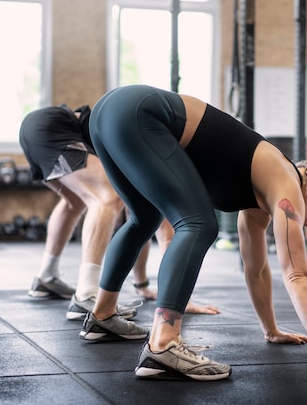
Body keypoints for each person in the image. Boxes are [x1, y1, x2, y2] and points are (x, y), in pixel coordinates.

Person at [81, 84, 307, 381]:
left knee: (144, 218)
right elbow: (298, 274)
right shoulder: (286, 185)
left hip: (109, 114)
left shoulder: (259, 196)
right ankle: (164, 343)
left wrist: (271, 331)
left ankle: (103, 316)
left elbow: (257, 270)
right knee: (199, 223)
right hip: (139, 114)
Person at [19, 104, 218, 321]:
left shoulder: (140, 145)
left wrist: (142, 286)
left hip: (36, 127)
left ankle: (46, 277)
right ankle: (86, 294)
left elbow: (144, 222)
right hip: (55, 126)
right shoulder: (151, 151)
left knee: (74, 202)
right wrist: (177, 299)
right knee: (106, 197)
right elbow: (163, 230)